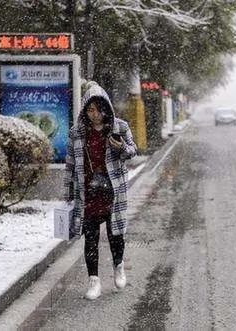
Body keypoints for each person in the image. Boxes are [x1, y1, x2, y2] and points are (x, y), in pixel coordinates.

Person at [64, 81, 137, 300]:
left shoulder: (120, 127)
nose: (94, 114)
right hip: (88, 192)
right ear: (85, 110)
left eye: (98, 110)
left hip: (113, 192)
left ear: (106, 109)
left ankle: (118, 266)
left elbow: (133, 151)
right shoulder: (77, 132)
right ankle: (94, 281)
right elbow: (70, 164)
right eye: (90, 110)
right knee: (91, 237)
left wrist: (121, 147)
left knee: (115, 235)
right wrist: (67, 193)